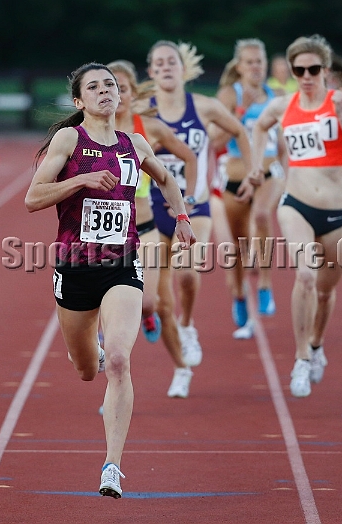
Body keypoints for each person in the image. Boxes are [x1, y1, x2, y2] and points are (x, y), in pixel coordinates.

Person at [24, 62, 195, 498]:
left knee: (120, 361)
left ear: (120, 96)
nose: (105, 92)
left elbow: (166, 178)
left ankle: (112, 467)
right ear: (80, 101)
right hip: (74, 268)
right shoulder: (69, 139)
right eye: (94, 87)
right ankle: (91, 354)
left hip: (123, 264)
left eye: (111, 86)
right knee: (86, 370)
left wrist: (181, 216)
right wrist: (80, 179)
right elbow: (32, 197)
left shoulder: (134, 143)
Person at [250, 35, 342, 398]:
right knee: (304, 276)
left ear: (326, 70)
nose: (305, 75)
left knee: (325, 291)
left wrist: (341, 119)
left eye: (313, 69)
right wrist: (259, 164)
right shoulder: (283, 105)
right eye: (298, 69)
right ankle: (301, 358)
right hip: (297, 206)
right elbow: (259, 127)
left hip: (338, 213)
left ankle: (317, 345)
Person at [146, 40, 254, 364]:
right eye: (159, 63)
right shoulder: (142, 110)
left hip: (195, 205)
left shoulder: (204, 107)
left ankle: (187, 325)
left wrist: (252, 171)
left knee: (187, 272)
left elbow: (239, 131)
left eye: (171, 62)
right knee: (154, 293)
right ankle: (151, 314)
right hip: (152, 205)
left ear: (183, 69)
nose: (166, 67)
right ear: (151, 72)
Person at [108, 59, 200, 398]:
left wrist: (188, 199)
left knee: (153, 303)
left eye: (122, 88)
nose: (115, 95)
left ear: (132, 92)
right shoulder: (84, 131)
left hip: (144, 225)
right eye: (108, 88)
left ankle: (152, 325)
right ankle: (114, 382)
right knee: (105, 306)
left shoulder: (148, 129)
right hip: (104, 231)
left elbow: (188, 157)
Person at [214, 38, 287, 338]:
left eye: (260, 61)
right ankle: (240, 294)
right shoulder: (230, 94)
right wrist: (237, 119)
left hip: (269, 172)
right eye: (250, 62)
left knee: (260, 215)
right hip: (234, 175)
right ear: (240, 66)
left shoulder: (278, 95)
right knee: (238, 247)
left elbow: (284, 143)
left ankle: (267, 285)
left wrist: (289, 173)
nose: (256, 67)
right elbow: (215, 140)